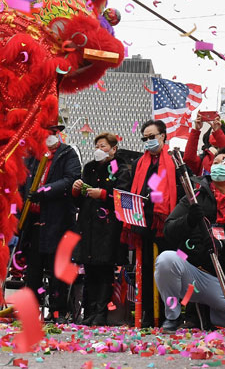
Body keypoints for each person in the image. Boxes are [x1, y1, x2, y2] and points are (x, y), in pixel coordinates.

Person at [156, 148, 225, 333]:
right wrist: (188, 221)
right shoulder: (194, 197)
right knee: (166, 259)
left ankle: (212, 315)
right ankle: (173, 316)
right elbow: (168, 230)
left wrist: (223, 246)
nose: (219, 166)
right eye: (216, 162)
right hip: (192, 275)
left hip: (224, 280)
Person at [20, 122, 81, 321]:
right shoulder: (33, 157)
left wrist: (45, 191)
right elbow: (24, 183)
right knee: (33, 270)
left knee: (58, 270)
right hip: (35, 222)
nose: (49, 137)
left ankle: (58, 311)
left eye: (53, 133)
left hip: (59, 221)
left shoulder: (68, 154)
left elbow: (71, 179)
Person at [72, 133, 131, 325]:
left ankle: (101, 312)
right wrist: (76, 189)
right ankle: (88, 311)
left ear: (113, 149)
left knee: (104, 269)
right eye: (97, 145)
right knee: (89, 269)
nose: (99, 149)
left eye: (104, 146)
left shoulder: (120, 168)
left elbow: (123, 196)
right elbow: (79, 200)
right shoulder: (89, 167)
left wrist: (103, 194)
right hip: (88, 226)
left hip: (108, 228)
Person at [126, 120, 179, 327]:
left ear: (163, 135)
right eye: (145, 138)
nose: (148, 141)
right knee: (146, 269)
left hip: (167, 222)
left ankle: (171, 315)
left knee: (167, 272)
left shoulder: (174, 159)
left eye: (152, 136)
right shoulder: (140, 163)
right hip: (144, 222)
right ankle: (148, 313)